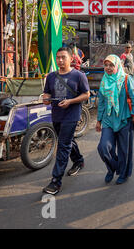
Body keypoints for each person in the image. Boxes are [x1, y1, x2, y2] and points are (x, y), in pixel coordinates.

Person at [42, 47, 90, 195]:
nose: (60, 60)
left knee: (63, 146)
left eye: (63, 57)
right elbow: (47, 93)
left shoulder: (78, 75)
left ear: (70, 59)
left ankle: (56, 181)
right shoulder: (51, 76)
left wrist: (71, 101)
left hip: (72, 114)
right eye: (58, 58)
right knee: (67, 141)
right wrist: (45, 99)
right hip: (57, 115)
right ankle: (79, 160)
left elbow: (86, 94)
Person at [96, 55, 134, 184]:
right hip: (108, 119)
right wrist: (99, 120)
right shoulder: (104, 81)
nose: (108, 68)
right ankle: (112, 168)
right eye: (106, 65)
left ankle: (124, 173)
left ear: (117, 66)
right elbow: (102, 102)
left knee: (124, 150)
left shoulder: (126, 79)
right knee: (103, 147)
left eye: (111, 65)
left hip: (124, 119)